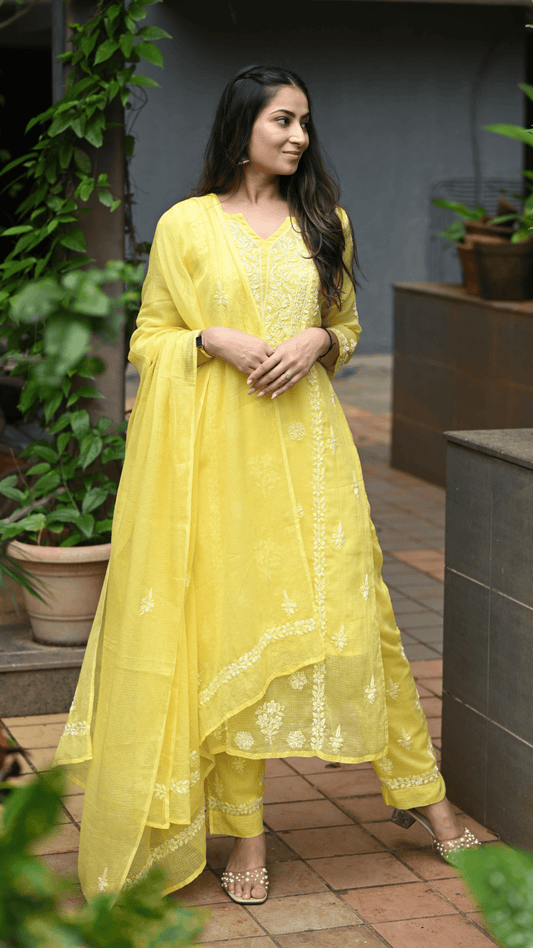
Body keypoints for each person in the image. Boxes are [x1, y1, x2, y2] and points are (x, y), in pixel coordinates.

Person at [54, 64, 479, 904]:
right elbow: (147, 336)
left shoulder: (327, 221)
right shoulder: (184, 226)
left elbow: (348, 329)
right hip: (217, 462)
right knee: (230, 635)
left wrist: (318, 344)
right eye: (282, 120)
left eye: (305, 124)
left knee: (364, 623)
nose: (297, 137)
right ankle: (245, 835)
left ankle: (422, 796)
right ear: (242, 124)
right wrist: (209, 338)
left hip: (313, 460)